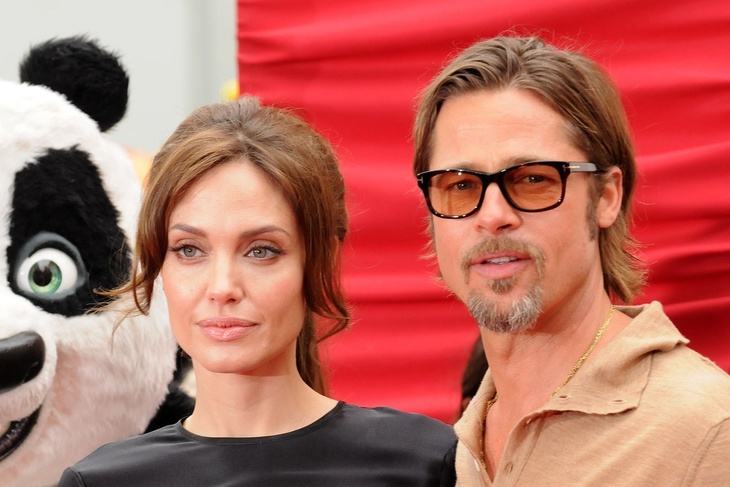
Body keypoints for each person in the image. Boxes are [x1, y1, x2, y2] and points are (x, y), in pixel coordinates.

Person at [59, 96, 456, 486]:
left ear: (321, 260)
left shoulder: (422, 463)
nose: (222, 288)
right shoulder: (101, 483)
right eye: (189, 250)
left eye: (261, 250)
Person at [412, 35, 730, 485]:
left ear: (606, 197)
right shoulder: (451, 450)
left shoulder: (708, 432)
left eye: (533, 179)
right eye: (460, 185)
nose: (493, 215)